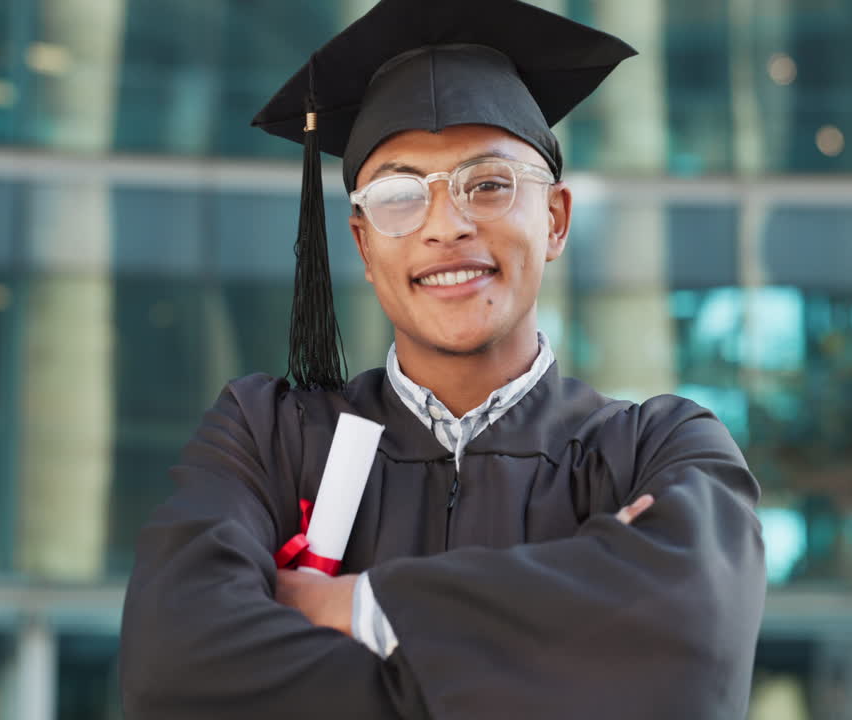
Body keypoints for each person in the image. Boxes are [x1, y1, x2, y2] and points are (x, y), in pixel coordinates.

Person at [118, 1, 766, 718]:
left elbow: (692, 644)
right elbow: (174, 667)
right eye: (399, 196)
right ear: (364, 247)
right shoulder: (269, 439)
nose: (445, 227)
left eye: (487, 185)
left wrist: (362, 606)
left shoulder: (657, 450)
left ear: (553, 220)